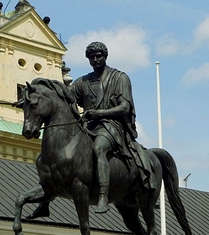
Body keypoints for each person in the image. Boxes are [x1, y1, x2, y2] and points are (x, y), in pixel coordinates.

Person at [26, 42, 154, 219]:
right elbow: (65, 97)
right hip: (88, 126)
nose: (95, 59)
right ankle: (45, 200)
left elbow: (125, 107)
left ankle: (103, 195)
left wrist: (99, 113)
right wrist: (37, 97)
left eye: (98, 56)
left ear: (105, 56)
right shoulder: (82, 82)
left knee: (98, 148)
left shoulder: (119, 78)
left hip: (111, 126)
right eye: (91, 57)